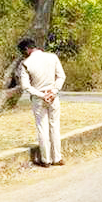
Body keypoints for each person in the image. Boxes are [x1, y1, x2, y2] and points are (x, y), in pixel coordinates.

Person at [18, 37, 66, 168]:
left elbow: (25, 86)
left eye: (23, 51)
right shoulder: (52, 57)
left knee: (42, 128)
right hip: (53, 97)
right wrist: (54, 91)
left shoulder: (26, 63)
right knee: (55, 126)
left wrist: (42, 94)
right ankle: (57, 157)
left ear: (27, 49)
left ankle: (46, 160)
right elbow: (61, 76)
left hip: (39, 98)